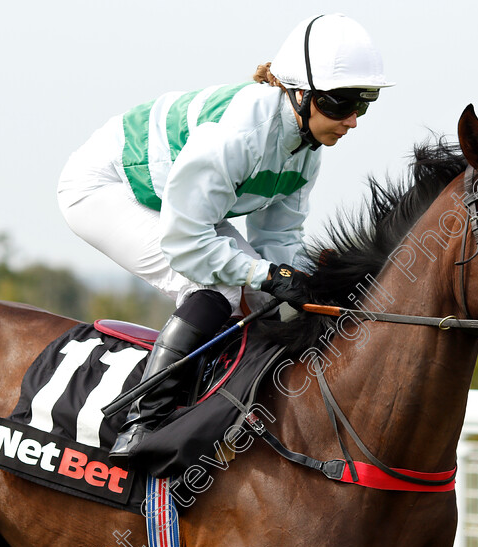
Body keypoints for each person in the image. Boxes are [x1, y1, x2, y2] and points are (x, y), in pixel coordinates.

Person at [56, 13, 393, 466]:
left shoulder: (305, 151)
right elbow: (186, 242)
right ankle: (141, 424)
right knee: (215, 287)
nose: (352, 121)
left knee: (263, 291)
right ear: (298, 94)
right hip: (105, 187)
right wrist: (266, 273)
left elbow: (279, 238)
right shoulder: (240, 134)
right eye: (339, 104)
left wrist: (301, 284)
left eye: (363, 104)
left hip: (174, 200)